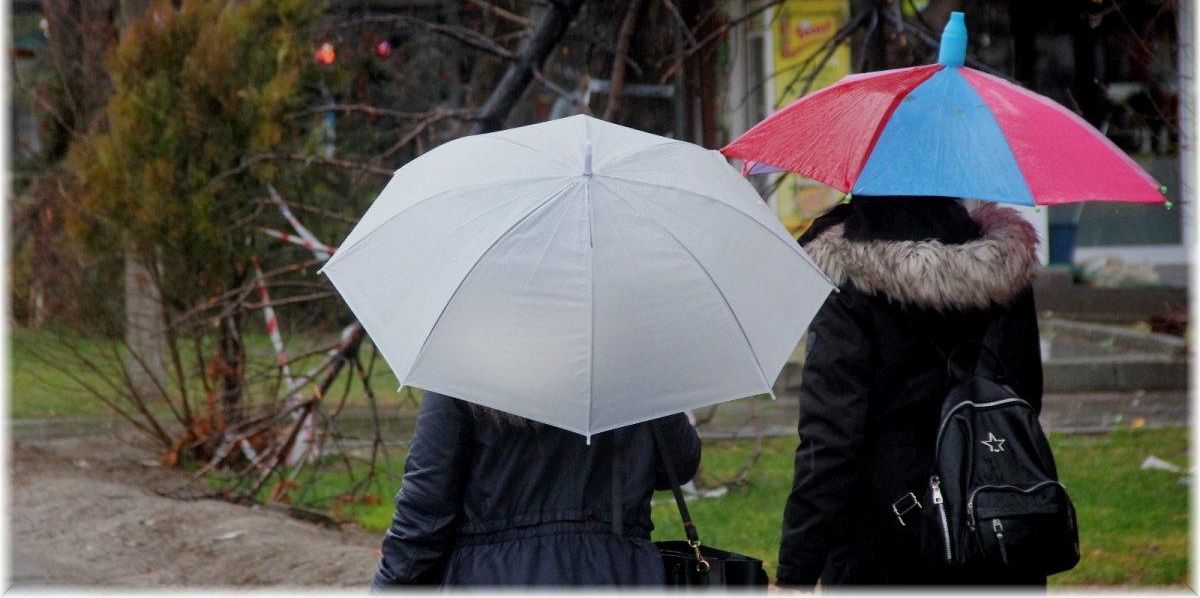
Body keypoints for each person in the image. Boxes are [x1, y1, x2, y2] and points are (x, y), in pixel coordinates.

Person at [776, 196, 1046, 588]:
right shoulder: (1005, 264)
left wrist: (796, 570)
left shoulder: (847, 275)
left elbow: (830, 438)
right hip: (995, 519)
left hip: (885, 537)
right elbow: (1023, 400)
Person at [370, 391, 701, 588]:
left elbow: (426, 510)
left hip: (496, 577)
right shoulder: (630, 356)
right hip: (620, 575)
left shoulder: (464, 366)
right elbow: (678, 465)